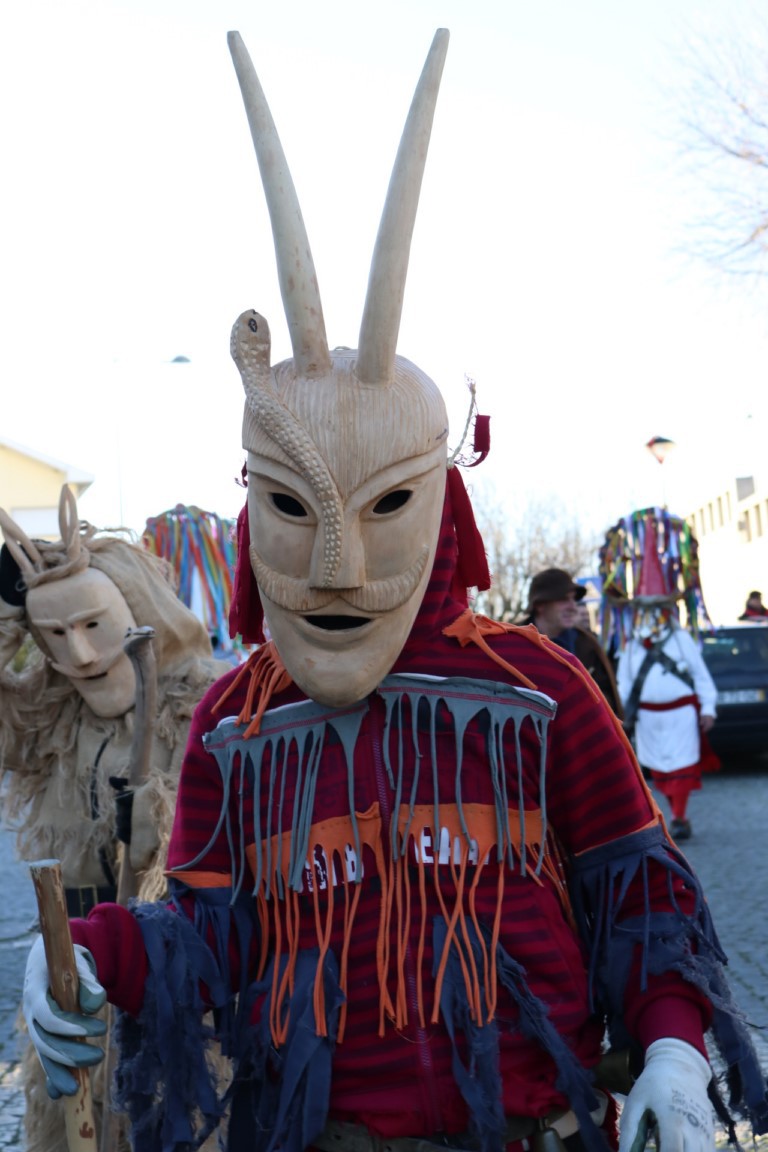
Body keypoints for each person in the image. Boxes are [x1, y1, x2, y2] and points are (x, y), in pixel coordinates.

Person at [19, 29, 768, 1152]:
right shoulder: (237, 720)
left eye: (380, 511)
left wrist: (667, 1042)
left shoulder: (545, 689)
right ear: (246, 513)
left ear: (442, 505)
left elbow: (640, 899)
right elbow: (211, 931)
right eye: (293, 511)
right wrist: (87, 958)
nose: (338, 571)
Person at [0, 484, 226, 1152]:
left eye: (93, 625)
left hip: (179, 985)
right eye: (55, 636)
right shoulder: (49, 720)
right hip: (70, 990)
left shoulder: (206, 716)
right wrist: (11, 612)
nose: (82, 655)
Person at [616, 604, 719, 842]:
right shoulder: (631, 645)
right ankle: (676, 815)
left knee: (681, 764)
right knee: (660, 767)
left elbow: (701, 675)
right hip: (647, 718)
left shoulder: (682, 639)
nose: (651, 618)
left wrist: (708, 708)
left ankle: (678, 817)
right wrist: (622, 713)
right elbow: (623, 683)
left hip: (681, 715)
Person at [521, 568, 624, 716]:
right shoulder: (513, 644)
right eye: (563, 600)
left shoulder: (588, 646)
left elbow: (607, 705)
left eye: (573, 599)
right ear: (540, 605)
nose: (573, 607)